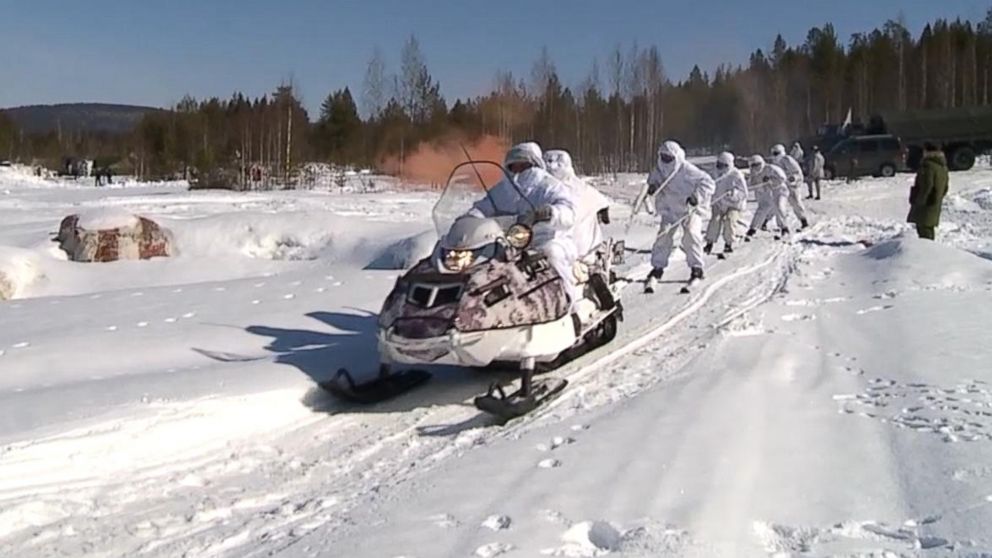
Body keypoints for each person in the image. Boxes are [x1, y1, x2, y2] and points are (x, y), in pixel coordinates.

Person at [468, 142, 580, 306]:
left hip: (546, 240)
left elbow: (569, 212)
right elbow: (483, 207)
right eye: (514, 165)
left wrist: (550, 213)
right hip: (507, 243)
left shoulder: (549, 186)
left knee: (552, 254)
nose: (519, 169)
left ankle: (569, 304)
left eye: (524, 165)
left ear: (534, 163)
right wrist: (469, 219)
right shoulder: (502, 190)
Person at [643, 140, 715, 293]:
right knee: (663, 236)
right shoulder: (659, 170)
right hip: (670, 210)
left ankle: (697, 267)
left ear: (676, 157)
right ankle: (658, 267)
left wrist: (697, 197)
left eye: (669, 158)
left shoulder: (686, 169)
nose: (666, 160)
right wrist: (652, 188)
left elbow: (708, 182)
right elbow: (652, 182)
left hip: (689, 210)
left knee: (691, 235)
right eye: (663, 157)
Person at [543, 149, 611, 258]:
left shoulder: (543, 188)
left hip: (578, 253)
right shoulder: (582, 188)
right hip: (565, 251)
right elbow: (602, 201)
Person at [704, 151, 748, 255]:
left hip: (734, 205)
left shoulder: (736, 175)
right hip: (719, 203)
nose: (721, 167)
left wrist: (734, 195)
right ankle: (709, 243)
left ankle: (728, 244)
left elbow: (744, 193)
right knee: (715, 220)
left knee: (729, 220)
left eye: (724, 165)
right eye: (719, 165)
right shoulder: (713, 173)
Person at [907, 143, 949, 240]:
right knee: (929, 229)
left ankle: (927, 253)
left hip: (925, 204)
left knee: (923, 230)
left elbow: (926, 186)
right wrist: (938, 197)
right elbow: (946, 187)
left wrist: (919, 201)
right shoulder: (942, 167)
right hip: (935, 203)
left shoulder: (928, 166)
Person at [746, 155, 791, 239]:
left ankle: (784, 228)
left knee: (779, 207)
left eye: (757, 164)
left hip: (779, 191)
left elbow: (782, 178)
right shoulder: (753, 174)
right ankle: (753, 229)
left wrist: (771, 179)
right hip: (765, 193)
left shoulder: (771, 168)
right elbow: (751, 185)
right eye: (753, 165)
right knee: (762, 209)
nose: (756, 167)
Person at [770, 143, 809, 229]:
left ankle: (803, 220)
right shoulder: (774, 162)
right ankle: (767, 221)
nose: (774, 155)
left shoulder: (787, 160)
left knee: (795, 202)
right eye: (773, 153)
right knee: (777, 204)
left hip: (792, 185)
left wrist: (792, 179)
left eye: (776, 153)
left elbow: (797, 172)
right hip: (781, 186)